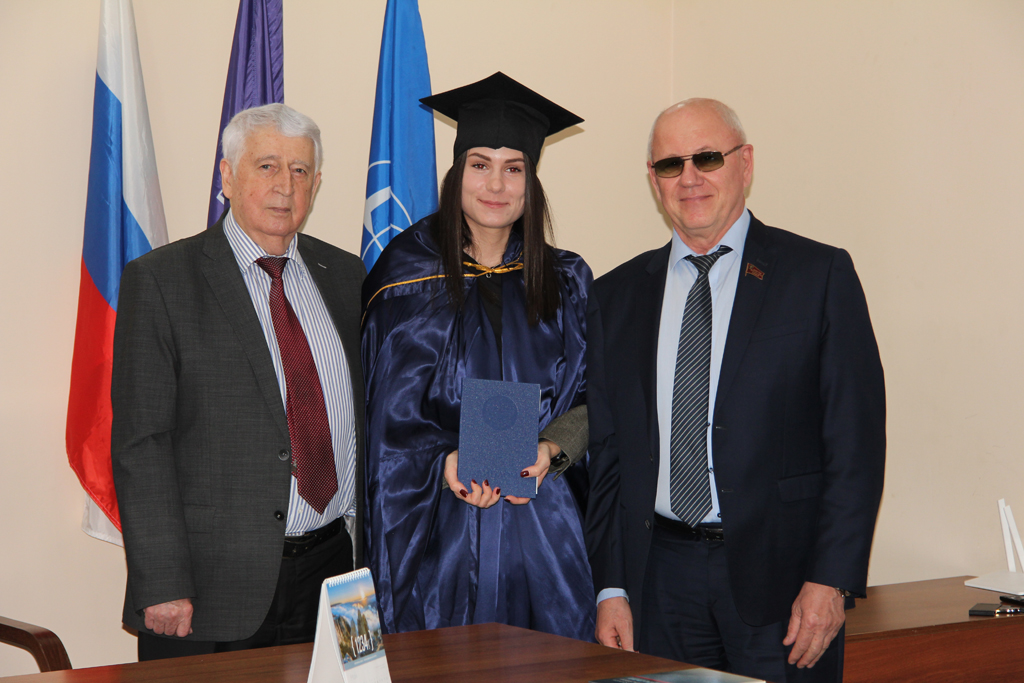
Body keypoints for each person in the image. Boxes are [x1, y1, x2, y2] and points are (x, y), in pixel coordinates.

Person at [584, 98, 885, 682]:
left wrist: (831, 580)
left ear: (745, 163)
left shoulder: (818, 276)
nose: (689, 178)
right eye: (670, 165)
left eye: (707, 158)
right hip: (658, 582)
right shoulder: (616, 296)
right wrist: (611, 587)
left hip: (785, 587)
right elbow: (609, 454)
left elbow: (856, 445)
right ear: (653, 180)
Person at [111, 103, 366, 660]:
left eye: (299, 170)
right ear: (227, 176)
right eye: (266, 166)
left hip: (338, 573)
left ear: (317, 184)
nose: (284, 186)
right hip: (210, 588)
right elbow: (140, 443)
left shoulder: (348, 276)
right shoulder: (161, 281)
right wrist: (161, 579)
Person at [361, 72, 595, 640]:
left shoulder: (567, 281)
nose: (496, 184)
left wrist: (553, 447)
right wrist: (441, 461)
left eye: (514, 168)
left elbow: (598, 397)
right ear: (456, 174)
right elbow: (381, 419)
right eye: (480, 164)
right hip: (437, 538)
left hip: (547, 535)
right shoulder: (404, 278)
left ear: (531, 182)